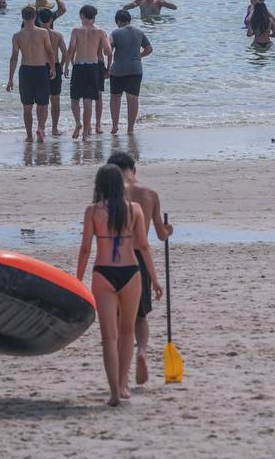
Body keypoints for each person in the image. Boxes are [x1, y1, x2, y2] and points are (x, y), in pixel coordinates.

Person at [76, 164, 161, 406]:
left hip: (103, 273)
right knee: (126, 332)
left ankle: (114, 392)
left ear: (99, 185)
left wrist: (77, 280)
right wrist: (154, 279)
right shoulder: (134, 209)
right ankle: (123, 386)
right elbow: (143, 246)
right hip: (130, 273)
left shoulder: (92, 211)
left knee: (109, 338)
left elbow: (85, 249)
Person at [106, 152, 172, 386]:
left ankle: (120, 372)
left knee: (118, 320)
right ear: (133, 170)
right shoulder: (150, 194)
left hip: (115, 258)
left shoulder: (111, 194)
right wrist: (169, 230)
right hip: (140, 262)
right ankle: (142, 350)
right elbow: (160, 235)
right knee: (140, 317)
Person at [7, 7, 56, 143]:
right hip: (40, 69)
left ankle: (29, 135)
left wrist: (10, 78)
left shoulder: (17, 36)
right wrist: (53, 68)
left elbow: (14, 57)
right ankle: (40, 128)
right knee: (43, 104)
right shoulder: (43, 32)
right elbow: (50, 51)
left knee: (27, 107)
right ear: (35, 17)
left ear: (22, 17)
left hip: (25, 71)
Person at [65, 5, 112, 141]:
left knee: (75, 99)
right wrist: (108, 66)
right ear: (94, 16)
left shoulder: (76, 31)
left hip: (79, 66)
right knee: (88, 100)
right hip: (93, 66)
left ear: (82, 15)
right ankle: (85, 133)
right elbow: (108, 51)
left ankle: (78, 123)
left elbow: (71, 48)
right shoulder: (100, 32)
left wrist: (66, 65)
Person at [109, 10, 152, 135]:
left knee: (115, 97)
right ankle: (130, 128)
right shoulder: (139, 32)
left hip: (118, 69)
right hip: (135, 69)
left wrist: (106, 67)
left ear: (118, 21)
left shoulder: (115, 33)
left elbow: (109, 50)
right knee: (133, 98)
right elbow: (149, 49)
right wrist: (139, 56)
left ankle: (115, 126)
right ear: (129, 20)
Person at [39, 9, 68, 136]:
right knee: (55, 99)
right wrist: (61, 65)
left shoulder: (37, 34)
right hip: (54, 66)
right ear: (51, 20)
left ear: (39, 20)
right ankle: (54, 129)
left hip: (39, 67)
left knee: (41, 101)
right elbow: (65, 53)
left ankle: (41, 128)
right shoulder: (57, 35)